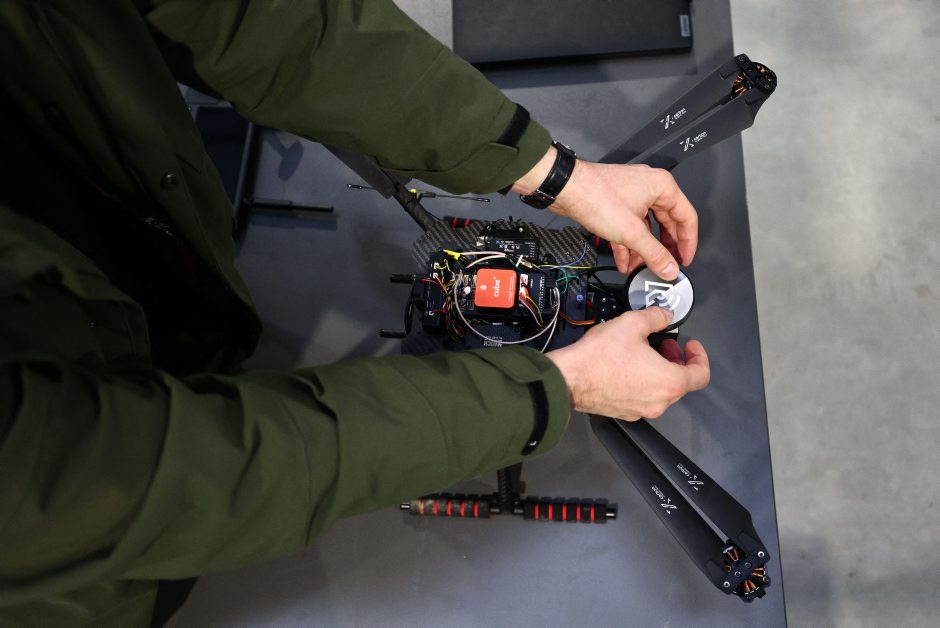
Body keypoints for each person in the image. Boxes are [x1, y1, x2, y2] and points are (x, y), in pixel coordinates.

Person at [0, 0, 709, 624]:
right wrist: (554, 391)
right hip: (100, 572)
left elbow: (266, 23)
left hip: (150, 252)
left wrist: (554, 172)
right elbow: (174, 480)